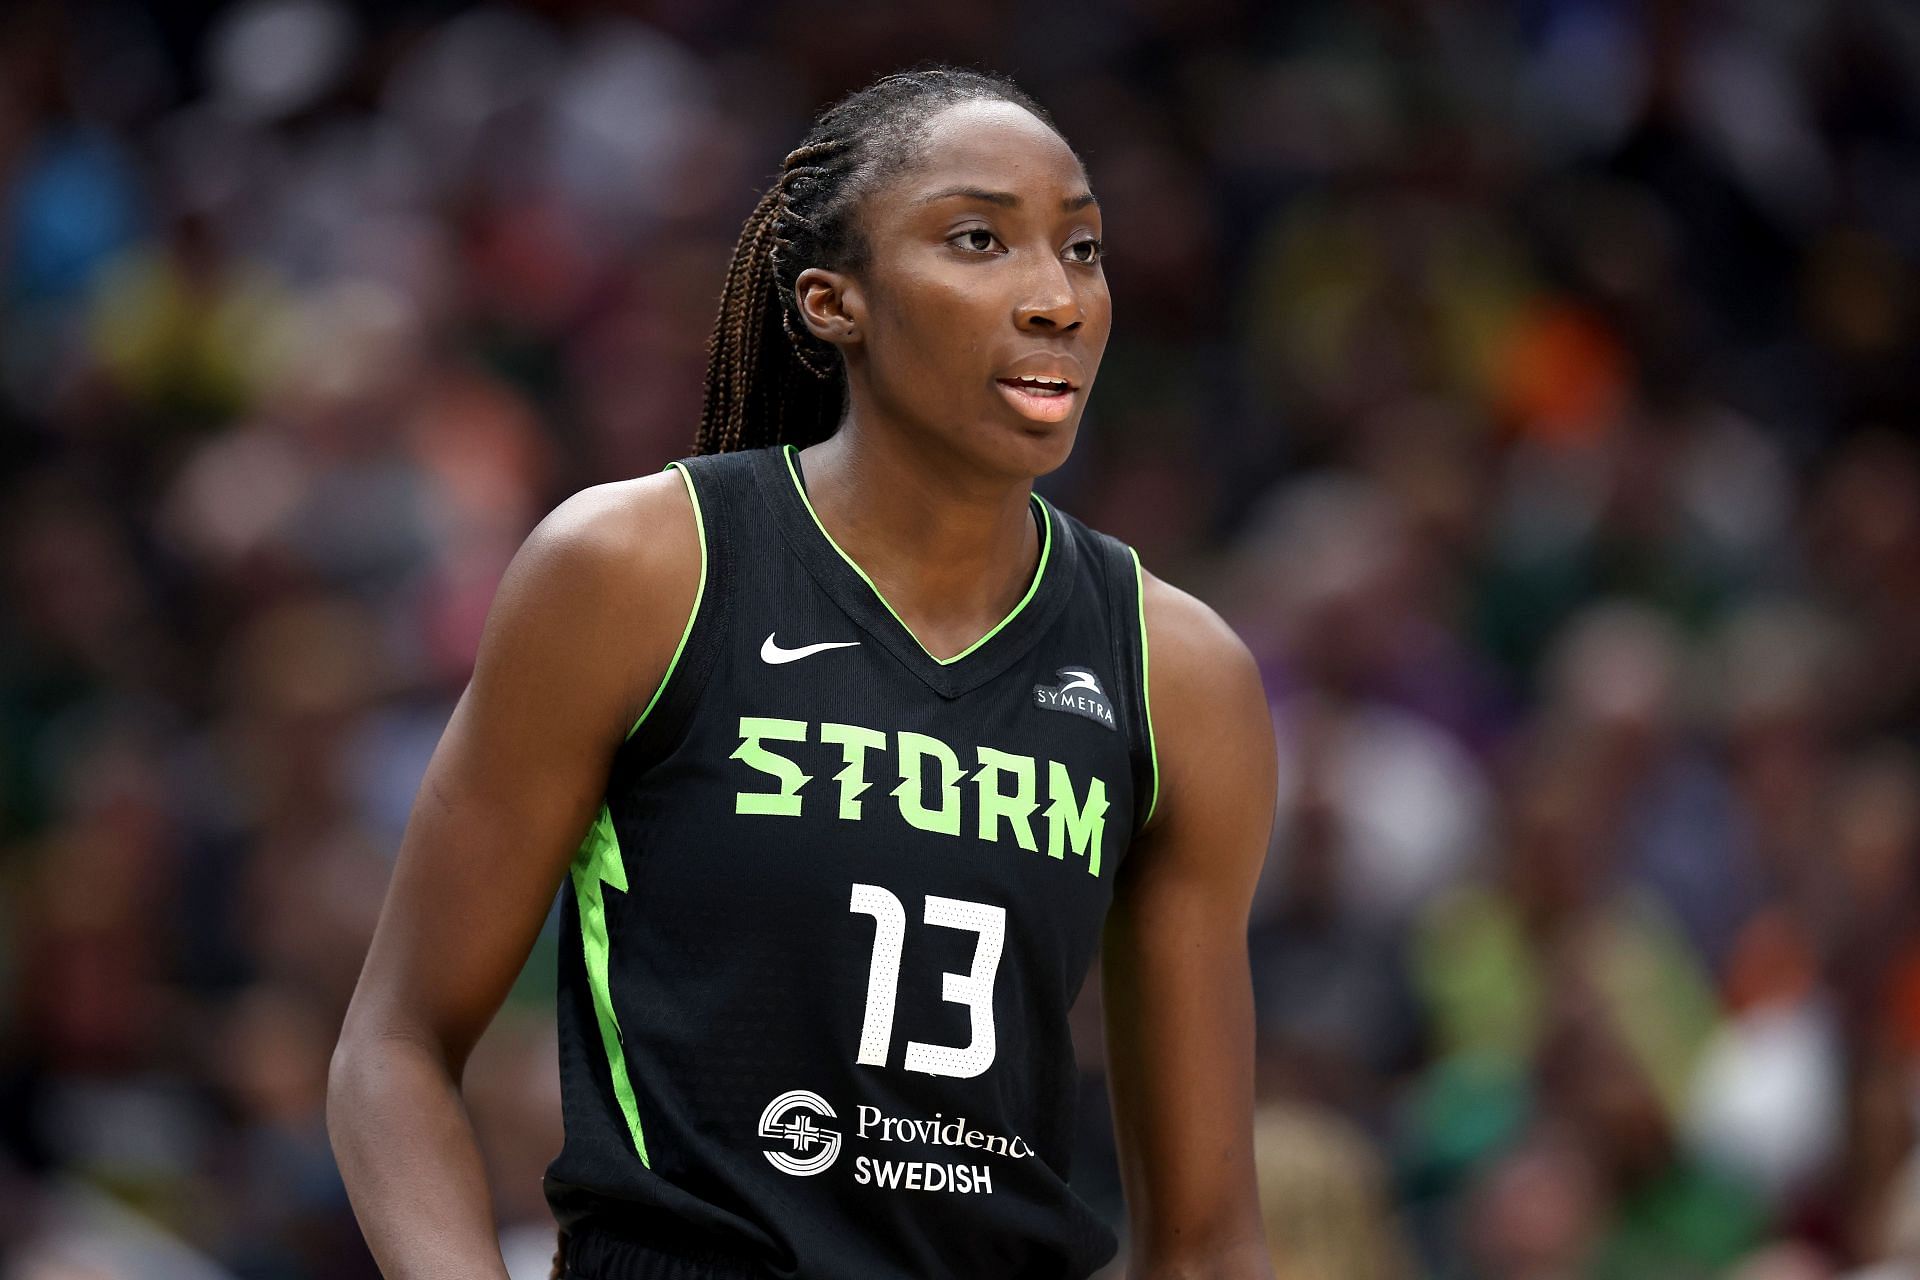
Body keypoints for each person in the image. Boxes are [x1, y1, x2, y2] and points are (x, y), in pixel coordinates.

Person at [326, 65, 1278, 1280]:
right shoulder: (635, 570)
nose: (1056, 297)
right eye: (981, 239)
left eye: (1082, 249)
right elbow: (395, 1045)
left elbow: (1206, 1240)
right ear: (836, 303)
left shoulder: (1179, 671)